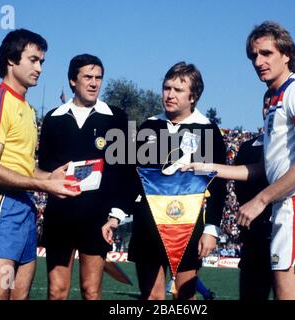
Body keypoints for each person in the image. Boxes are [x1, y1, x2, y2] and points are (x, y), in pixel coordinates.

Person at [184, 21, 295, 300]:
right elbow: (265, 169)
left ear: (287, 54)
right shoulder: (272, 97)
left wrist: (260, 201)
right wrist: (210, 168)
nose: (258, 61)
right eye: (254, 56)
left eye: (266, 53)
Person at [0, 29, 80, 300]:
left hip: (24, 206)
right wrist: (43, 183)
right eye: (33, 60)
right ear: (11, 61)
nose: (39, 68)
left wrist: (50, 177)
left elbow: (24, 166)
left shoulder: (27, 109)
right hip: (0, 205)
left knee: (19, 296)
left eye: (42, 62)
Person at [103, 62, 227, 300]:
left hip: (187, 226)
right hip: (148, 223)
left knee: (184, 297)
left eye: (177, 90)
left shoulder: (207, 131)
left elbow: (218, 186)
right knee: (152, 298)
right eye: (166, 88)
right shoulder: (150, 126)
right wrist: (116, 215)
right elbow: (132, 177)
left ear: (193, 96)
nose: (169, 95)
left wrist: (211, 229)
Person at [38, 54, 132, 300]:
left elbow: (126, 172)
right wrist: (51, 179)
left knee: (91, 291)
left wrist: (115, 217)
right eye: (87, 77)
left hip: (96, 219)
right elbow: (41, 170)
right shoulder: (53, 119)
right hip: (60, 216)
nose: (94, 83)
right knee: (57, 291)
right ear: (72, 81)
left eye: (98, 78)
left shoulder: (117, 117)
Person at [235, 134, 273, 301]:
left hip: (287, 227)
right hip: (255, 234)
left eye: (270, 105)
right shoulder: (248, 146)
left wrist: (263, 200)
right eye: (264, 105)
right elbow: (240, 188)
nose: (267, 109)